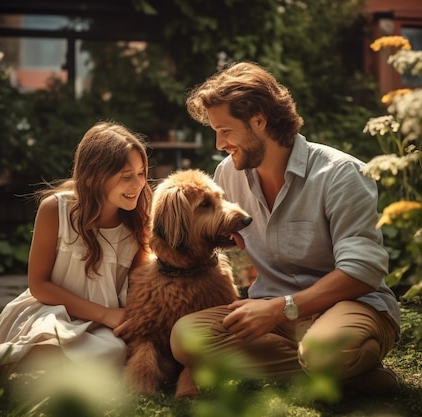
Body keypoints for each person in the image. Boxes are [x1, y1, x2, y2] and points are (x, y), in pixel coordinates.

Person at [170, 62, 401, 395]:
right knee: (185, 338)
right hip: (272, 315)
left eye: (225, 130)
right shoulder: (228, 175)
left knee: (325, 353)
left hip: (348, 306)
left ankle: (327, 363)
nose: (219, 143)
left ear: (259, 120)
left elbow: (363, 271)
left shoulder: (341, 174)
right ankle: (348, 374)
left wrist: (282, 307)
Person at [0, 121, 152, 382]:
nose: (138, 184)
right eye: (126, 176)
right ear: (92, 176)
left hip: (101, 327)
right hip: (52, 310)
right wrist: (105, 313)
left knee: (111, 352)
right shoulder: (56, 209)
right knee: (67, 343)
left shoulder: (137, 225)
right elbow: (39, 285)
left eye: (142, 173)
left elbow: (137, 288)